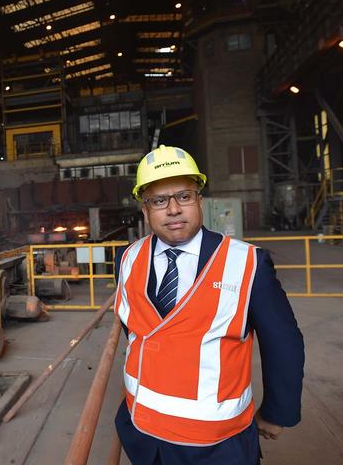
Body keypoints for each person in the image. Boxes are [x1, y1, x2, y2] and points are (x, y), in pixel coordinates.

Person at [113, 145, 304, 465]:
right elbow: (133, 328)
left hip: (216, 444)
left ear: (199, 201)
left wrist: (276, 412)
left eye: (184, 196)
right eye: (160, 200)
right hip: (142, 434)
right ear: (145, 210)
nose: (173, 209)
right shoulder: (128, 258)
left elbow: (282, 341)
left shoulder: (248, 263)